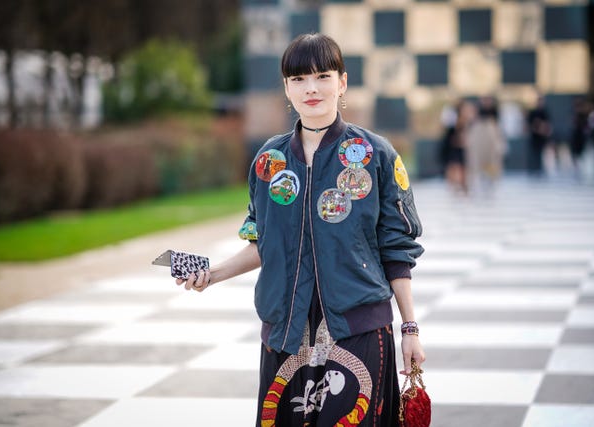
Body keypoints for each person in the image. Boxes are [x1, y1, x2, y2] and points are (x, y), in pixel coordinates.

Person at [176, 33, 425, 425]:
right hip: (285, 332)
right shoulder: (268, 161)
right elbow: (263, 244)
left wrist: (410, 327)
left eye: (322, 76)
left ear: (341, 82)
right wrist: (212, 275)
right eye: (298, 79)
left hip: (357, 330)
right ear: (286, 88)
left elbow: (396, 250)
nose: (311, 88)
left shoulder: (375, 155)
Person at [465, 96, 507, 197]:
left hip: (490, 140)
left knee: (492, 165)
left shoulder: (494, 118)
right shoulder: (476, 117)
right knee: (477, 166)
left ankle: (490, 186)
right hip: (479, 139)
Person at [439, 99, 475, 195]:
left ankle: (461, 188)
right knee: (455, 168)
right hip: (453, 150)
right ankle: (455, 188)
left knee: (462, 169)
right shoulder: (454, 123)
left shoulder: (469, 123)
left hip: (462, 151)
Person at [526, 94, 552, 176]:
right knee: (534, 154)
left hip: (543, 138)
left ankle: (542, 171)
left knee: (543, 155)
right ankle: (534, 170)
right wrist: (537, 127)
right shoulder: (533, 112)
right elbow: (529, 125)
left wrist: (543, 129)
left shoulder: (545, 112)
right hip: (534, 138)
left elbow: (548, 126)